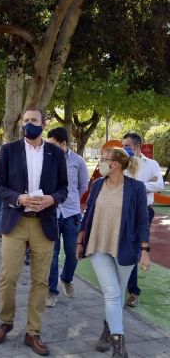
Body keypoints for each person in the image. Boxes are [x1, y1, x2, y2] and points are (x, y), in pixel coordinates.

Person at [0, 109, 68, 356]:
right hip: (16, 221)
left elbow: (64, 189)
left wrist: (51, 200)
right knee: (8, 276)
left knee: (40, 281)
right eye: (25, 121)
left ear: (44, 124)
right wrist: (18, 197)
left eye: (33, 120)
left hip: (44, 223)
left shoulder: (55, 153)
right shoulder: (9, 150)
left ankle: (33, 332)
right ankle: (6, 322)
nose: (28, 124)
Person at [76, 147, 150, 358]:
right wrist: (79, 241)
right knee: (111, 292)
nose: (100, 162)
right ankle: (119, 345)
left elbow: (142, 221)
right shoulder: (98, 185)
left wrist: (145, 250)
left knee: (116, 293)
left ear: (115, 164)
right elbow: (88, 213)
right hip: (98, 245)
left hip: (125, 248)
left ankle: (107, 330)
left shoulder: (136, 188)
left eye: (103, 159)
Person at [45, 127, 89, 307]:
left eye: (53, 144)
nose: (50, 148)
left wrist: (73, 202)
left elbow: (83, 186)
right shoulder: (47, 160)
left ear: (63, 143)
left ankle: (67, 278)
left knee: (73, 252)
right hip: (52, 213)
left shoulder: (78, 161)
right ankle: (51, 291)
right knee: (52, 254)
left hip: (71, 213)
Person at [121, 132, 164, 308]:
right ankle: (124, 287)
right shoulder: (122, 164)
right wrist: (145, 185)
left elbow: (159, 185)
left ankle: (133, 291)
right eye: (123, 146)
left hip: (145, 212)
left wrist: (137, 186)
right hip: (123, 210)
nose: (124, 149)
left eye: (128, 146)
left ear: (137, 147)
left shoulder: (151, 164)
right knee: (124, 248)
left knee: (136, 249)